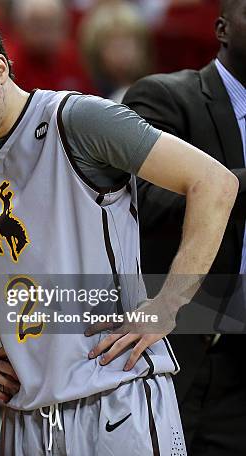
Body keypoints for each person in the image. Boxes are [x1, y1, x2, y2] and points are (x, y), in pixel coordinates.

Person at [0, 11, 237, 455]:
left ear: (0, 69)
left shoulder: (77, 119)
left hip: (117, 397)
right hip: (25, 417)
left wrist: (169, 303)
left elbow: (215, 183)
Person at [122, 0, 246, 454]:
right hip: (181, 345)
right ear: (222, 28)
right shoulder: (163, 96)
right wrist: (223, 186)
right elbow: (145, 206)